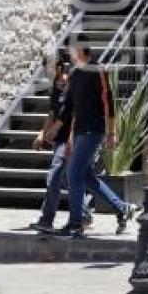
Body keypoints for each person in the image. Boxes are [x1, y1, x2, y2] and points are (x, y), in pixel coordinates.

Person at [44, 37, 136, 238]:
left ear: (80, 49)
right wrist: (57, 133)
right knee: (85, 176)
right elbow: (69, 110)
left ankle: (76, 224)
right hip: (78, 133)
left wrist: (112, 133)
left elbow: (108, 102)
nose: (67, 52)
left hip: (94, 130)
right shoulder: (74, 75)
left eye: (70, 49)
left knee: (73, 174)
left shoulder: (97, 70)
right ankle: (123, 208)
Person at [29, 55, 93, 232]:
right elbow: (52, 113)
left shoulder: (69, 85)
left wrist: (67, 137)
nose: (45, 71)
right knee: (68, 178)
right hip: (59, 140)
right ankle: (83, 214)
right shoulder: (55, 88)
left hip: (69, 139)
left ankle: (47, 220)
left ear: (58, 68)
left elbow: (70, 115)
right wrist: (42, 134)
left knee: (54, 177)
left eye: (48, 68)